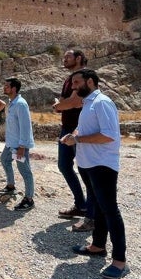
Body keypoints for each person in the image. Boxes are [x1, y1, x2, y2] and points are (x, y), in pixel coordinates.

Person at [61, 69, 128, 279]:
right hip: (89, 164)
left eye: (77, 82)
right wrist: (73, 135)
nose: (73, 86)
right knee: (98, 208)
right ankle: (98, 246)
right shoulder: (88, 103)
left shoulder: (102, 102)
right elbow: (84, 129)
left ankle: (120, 261)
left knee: (110, 210)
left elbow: (108, 135)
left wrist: (78, 140)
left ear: (90, 81)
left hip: (102, 165)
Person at [53, 49, 95, 232]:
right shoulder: (69, 79)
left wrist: (59, 105)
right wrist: (62, 104)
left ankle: (93, 215)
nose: (64, 59)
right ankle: (81, 204)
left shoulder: (84, 78)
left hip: (80, 128)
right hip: (66, 128)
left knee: (87, 171)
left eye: (68, 57)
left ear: (78, 58)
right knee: (64, 165)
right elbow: (65, 101)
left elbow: (73, 102)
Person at [0, 77, 36, 211]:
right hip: (11, 144)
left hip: (19, 146)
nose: (4, 88)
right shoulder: (12, 102)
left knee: (25, 171)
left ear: (13, 89)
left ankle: (29, 199)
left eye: (7, 86)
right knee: (4, 160)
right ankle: (10, 186)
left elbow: (25, 127)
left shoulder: (20, 104)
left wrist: (22, 147)